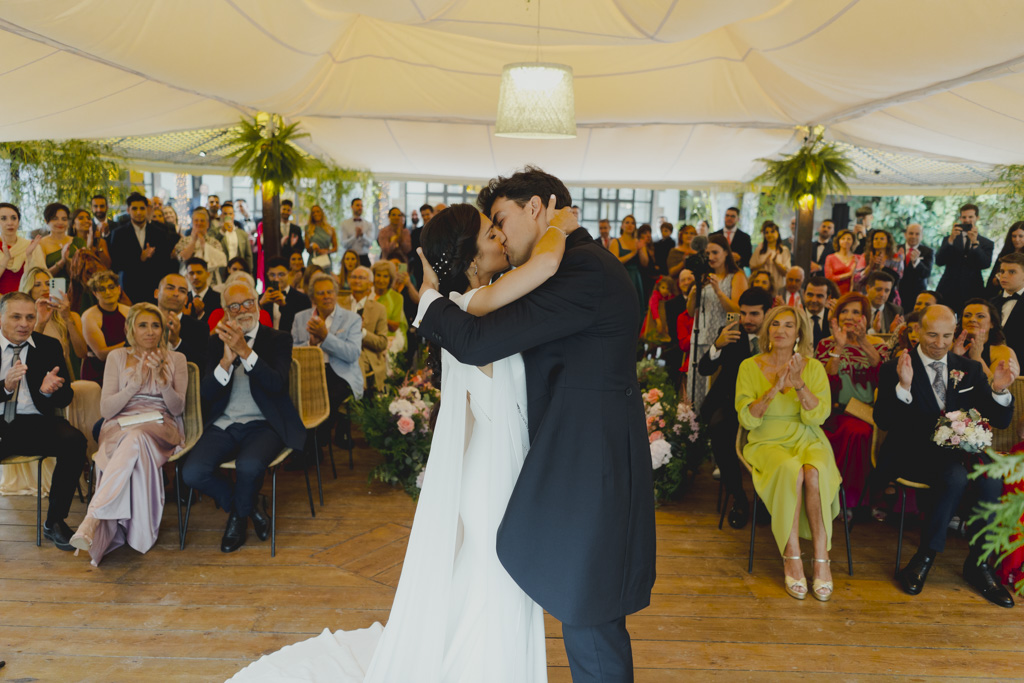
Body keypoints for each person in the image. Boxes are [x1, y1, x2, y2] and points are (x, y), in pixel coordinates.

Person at [411, 173, 653, 681]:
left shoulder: (579, 272)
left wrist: (429, 300)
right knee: (581, 609)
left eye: (501, 220)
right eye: (489, 230)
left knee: (590, 617)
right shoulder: (561, 267)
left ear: (539, 209)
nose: (499, 235)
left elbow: (478, 342)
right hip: (568, 467)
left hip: (590, 473)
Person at [874, 305, 1016, 607]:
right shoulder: (896, 366)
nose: (939, 343)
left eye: (947, 336)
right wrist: (904, 386)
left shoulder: (970, 368)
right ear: (917, 332)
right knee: (955, 476)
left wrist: (999, 392)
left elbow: (1000, 420)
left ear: (955, 334)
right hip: (911, 452)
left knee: (992, 475)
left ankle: (979, 563)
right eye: (932, 335)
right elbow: (884, 421)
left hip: (958, 453)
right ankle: (925, 556)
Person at [181, 279, 305, 553]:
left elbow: (276, 384)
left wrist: (245, 352)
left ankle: (237, 519)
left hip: (264, 424)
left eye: (248, 302)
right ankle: (250, 507)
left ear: (258, 304)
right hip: (224, 424)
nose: (243, 310)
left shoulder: (278, 339)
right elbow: (207, 394)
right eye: (234, 306)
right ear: (226, 311)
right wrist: (226, 360)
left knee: (249, 466)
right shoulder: (216, 343)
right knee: (192, 473)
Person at [69, 303, 186, 565]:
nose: (150, 331)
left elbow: (178, 408)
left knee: (136, 438)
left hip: (161, 424)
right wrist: (134, 384)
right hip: (119, 423)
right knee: (131, 438)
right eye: (143, 325)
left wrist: (162, 380)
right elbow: (107, 409)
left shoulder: (176, 359)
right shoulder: (117, 357)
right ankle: (116, 524)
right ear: (130, 328)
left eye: (155, 325)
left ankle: (93, 518)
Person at [736, 305, 840, 601]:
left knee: (813, 470)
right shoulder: (749, 366)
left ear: (799, 333)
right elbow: (747, 419)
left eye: (788, 326)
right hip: (767, 440)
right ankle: (791, 553)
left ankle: (822, 556)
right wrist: (773, 389)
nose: (781, 330)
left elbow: (817, 416)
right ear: (767, 331)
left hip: (807, 436)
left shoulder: (814, 367)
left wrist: (798, 384)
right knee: (790, 470)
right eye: (775, 325)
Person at [0, 291, 86, 550]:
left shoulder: (48, 346)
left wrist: (48, 391)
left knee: (74, 441)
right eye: (16, 317)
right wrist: (4, 387)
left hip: (35, 422)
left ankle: (55, 521)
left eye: (29, 317)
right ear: (1, 317)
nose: (24, 324)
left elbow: (66, 397)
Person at [698, 287, 773, 529]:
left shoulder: (777, 334)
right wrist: (717, 346)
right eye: (743, 313)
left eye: (754, 314)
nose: (747, 320)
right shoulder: (730, 332)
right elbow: (704, 369)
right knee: (719, 430)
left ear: (767, 313)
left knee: (773, 438)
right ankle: (739, 497)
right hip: (731, 400)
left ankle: (765, 499)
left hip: (768, 405)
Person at [816, 292, 888, 511]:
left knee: (861, 431)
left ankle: (854, 499)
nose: (849, 316)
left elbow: (882, 376)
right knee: (853, 432)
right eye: (844, 311)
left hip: (866, 413)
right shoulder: (826, 344)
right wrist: (839, 346)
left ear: (865, 317)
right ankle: (838, 498)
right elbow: (825, 382)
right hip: (835, 412)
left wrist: (863, 341)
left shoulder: (878, 344)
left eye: (856, 312)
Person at [291, 274, 364, 452]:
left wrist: (326, 338)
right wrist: (311, 344)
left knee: (326, 398)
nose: (326, 296)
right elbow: (291, 350)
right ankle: (304, 445)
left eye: (330, 292)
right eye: (321, 293)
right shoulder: (301, 318)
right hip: (308, 372)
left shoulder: (351, 319)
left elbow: (352, 354)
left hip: (340, 372)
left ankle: (313, 445)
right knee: (293, 397)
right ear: (313, 297)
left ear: (336, 293)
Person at [687, 234, 748, 412]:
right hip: (699, 336)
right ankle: (692, 426)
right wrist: (693, 293)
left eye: (715, 252)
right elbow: (691, 312)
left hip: (721, 338)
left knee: (713, 388)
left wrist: (718, 291)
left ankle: (709, 427)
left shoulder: (736, 276)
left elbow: (738, 310)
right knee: (696, 384)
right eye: (708, 253)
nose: (711, 257)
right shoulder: (704, 276)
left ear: (726, 254)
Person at [20, 266, 87, 379]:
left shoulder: (70, 316)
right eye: (37, 285)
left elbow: (82, 353)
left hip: (61, 377)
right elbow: (27, 356)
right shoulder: (21, 319)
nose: (45, 288)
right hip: (32, 377)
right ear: (28, 289)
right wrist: (40, 323)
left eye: (48, 283)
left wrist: (68, 318)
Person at [108, 193, 175, 304]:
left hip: (154, 287)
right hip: (129, 287)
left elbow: (165, 262)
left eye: (142, 208)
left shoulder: (159, 233)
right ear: (128, 210)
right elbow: (116, 264)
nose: (138, 212)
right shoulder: (119, 234)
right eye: (134, 208)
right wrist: (139, 258)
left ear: (147, 210)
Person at [935, 203, 994, 314]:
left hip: (973, 290)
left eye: (970, 217)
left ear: (977, 218)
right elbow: (939, 261)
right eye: (964, 217)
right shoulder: (949, 239)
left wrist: (975, 243)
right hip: (948, 289)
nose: (967, 220)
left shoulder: (986, 243)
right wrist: (951, 240)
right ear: (960, 218)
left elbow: (985, 264)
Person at [340, 266, 389, 395]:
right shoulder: (338, 305)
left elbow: (382, 343)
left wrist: (361, 332)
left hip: (367, 354)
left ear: (370, 284)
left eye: (361, 278)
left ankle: (358, 396)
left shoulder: (379, 309)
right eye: (354, 277)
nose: (357, 281)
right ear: (349, 281)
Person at [81, 270, 130, 385]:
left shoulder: (129, 311)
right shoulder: (89, 317)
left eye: (111, 287)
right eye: (102, 289)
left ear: (118, 289)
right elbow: (102, 354)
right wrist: (132, 343)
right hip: (99, 373)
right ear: (95, 293)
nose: (108, 292)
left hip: (125, 368)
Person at [155, 273, 209, 373]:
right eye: (170, 288)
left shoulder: (199, 328)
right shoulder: (142, 323)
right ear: (156, 293)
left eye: (182, 291)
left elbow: (201, 368)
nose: (176, 293)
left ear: (186, 300)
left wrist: (176, 342)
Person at [954, 298, 1018, 379]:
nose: (972, 319)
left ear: (992, 323)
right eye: (967, 315)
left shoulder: (1003, 352)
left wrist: (977, 358)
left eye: (980, 316)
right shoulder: (951, 345)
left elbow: (998, 387)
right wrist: (955, 357)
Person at [176, 208, 228, 284]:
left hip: (211, 282)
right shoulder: (184, 241)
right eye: (196, 220)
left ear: (208, 224)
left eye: (202, 220)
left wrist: (204, 244)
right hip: (188, 282)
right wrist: (193, 241)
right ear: (192, 223)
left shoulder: (215, 242)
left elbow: (221, 260)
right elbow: (182, 258)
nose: (199, 223)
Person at [260, 256, 311, 333]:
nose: (276, 279)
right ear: (267, 275)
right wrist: (260, 305)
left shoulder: (302, 299)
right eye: (272, 275)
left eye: (281, 274)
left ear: (289, 273)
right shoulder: (261, 298)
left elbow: (302, 327)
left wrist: (284, 306)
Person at [663, 268, 695, 391]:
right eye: (683, 280)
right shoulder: (671, 304)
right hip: (679, 346)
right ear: (679, 284)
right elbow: (673, 332)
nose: (686, 282)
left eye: (689, 279)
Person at [0, 203, 42, 294]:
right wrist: (6, 259)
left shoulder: (31, 246)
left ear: (18, 221)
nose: (10, 223)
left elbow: (42, 278)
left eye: (14, 218)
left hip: (26, 301)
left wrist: (29, 256)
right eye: (3, 218)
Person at [38, 203, 86, 282]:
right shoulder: (41, 243)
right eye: (55, 218)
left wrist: (69, 262)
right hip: (51, 290)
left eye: (64, 219)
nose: (60, 222)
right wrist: (62, 261)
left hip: (77, 289)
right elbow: (41, 275)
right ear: (46, 221)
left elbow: (83, 274)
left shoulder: (78, 242)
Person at [371, 260, 408, 357]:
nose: (381, 280)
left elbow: (394, 326)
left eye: (385, 276)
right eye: (378, 275)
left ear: (390, 279)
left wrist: (377, 317)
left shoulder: (397, 297)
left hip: (389, 337)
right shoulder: (367, 294)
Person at [854, 229, 903, 299]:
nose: (878, 241)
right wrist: (870, 267)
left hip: (888, 296)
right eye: (876, 239)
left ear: (888, 242)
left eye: (882, 239)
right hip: (866, 295)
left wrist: (882, 267)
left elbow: (897, 278)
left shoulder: (896, 257)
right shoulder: (865, 256)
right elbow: (856, 280)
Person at [609, 214, 648, 304]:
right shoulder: (615, 242)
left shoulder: (638, 242)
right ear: (622, 225)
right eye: (627, 222)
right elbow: (614, 262)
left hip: (635, 277)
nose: (630, 225)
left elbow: (645, 263)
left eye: (633, 223)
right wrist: (633, 253)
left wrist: (641, 250)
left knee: (636, 303)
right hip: (621, 276)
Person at [993, 252, 1024, 362]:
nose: (1004, 275)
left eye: (1012, 272)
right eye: (1002, 271)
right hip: (993, 363)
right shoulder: (991, 304)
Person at [210, 202, 253, 277]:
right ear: (221, 215)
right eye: (225, 214)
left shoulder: (242, 234)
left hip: (239, 271)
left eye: (230, 214)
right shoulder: (215, 232)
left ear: (234, 215)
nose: (228, 216)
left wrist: (249, 273)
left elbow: (248, 256)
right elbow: (212, 246)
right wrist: (222, 231)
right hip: (222, 272)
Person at [749, 220, 791, 292]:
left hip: (778, 287)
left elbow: (786, 273)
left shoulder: (784, 250)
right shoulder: (760, 250)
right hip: (761, 287)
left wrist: (775, 262)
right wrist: (763, 263)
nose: (769, 235)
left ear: (778, 233)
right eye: (766, 233)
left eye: (772, 232)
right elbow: (752, 268)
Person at [986, 221, 1024, 298]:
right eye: (1014, 236)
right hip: (1001, 294)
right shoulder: (1004, 253)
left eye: (1020, 236)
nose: (1016, 239)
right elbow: (992, 280)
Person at [899, 223, 933, 307]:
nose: (913, 236)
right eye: (911, 233)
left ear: (921, 236)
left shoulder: (928, 251)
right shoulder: (896, 249)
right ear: (905, 234)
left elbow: (927, 273)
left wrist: (916, 262)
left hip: (917, 293)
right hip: (898, 292)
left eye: (917, 234)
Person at [640, 275, 678, 350]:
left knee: (661, 341)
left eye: (668, 289)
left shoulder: (669, 297)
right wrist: (658, 321)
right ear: (658, 287)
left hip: (664, 322)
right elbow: (653, 308)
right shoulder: (656, 295)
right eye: (663, 287)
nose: (665, 291)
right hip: (655, 321)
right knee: (651, 338)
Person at [824, 228, 863, 296]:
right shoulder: (830, 258)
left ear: (853, 241)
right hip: (834, 293)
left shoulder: (858, 258)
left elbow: (862, 277)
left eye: (849, 239)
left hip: (852, 294)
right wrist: (849, 274)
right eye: (843, 238)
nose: (846, 241)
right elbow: (829, 278)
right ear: (838, 241)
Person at [803, 276, 838, 350]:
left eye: (819, 296)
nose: (814, 300)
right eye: (810, 295)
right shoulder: (797, 315)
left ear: (828, 298)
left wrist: (832, 324)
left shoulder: (832, 315)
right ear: (803, 294)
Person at [339, 198, 374, 266]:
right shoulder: (344, 224)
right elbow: (344, 244)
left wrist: (362, 235)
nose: (360, 207)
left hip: (364, 257)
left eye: (361, 205)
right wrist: (355, 236)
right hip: (349, 258)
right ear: (352, 207)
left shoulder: (369, 224)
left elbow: (370, 243)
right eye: (357, 205)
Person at [185, 257, 221, 324]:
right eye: (191, 273)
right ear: (187, 276)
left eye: (199, 273)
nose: (195, 277)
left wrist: (201, 314)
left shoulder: (219, 298)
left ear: (207, 274)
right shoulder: (184, 299)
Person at [303, 204, 337, 269]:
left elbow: (335, 248)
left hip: (326, 260)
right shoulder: (308, 229)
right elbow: (307, 248)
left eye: (318, 211)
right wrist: (312, 246)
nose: (316, 214)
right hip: (313, 260)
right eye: (313, 212)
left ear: (322, 213)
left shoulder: (330, 229)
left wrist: (327, 251)